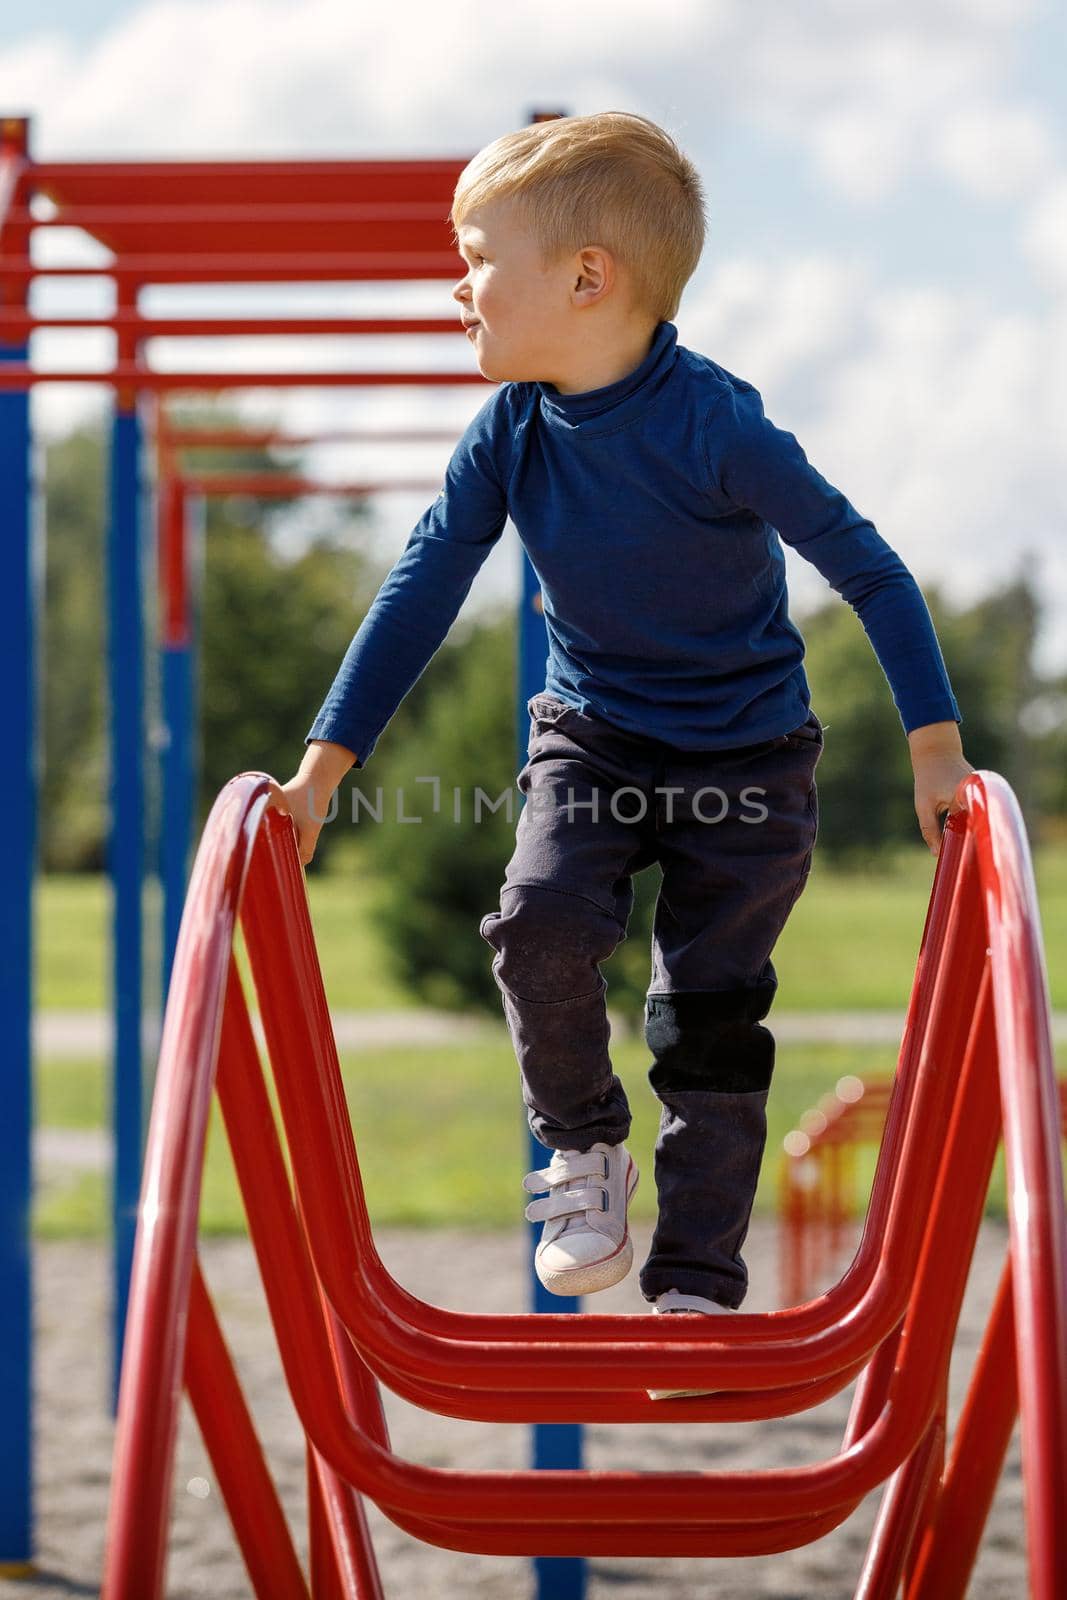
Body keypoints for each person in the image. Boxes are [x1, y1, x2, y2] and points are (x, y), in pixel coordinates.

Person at [270, 112, 974, 1396]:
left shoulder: (717, 426)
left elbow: (865, 566)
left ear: (586, 278)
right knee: (536, 918)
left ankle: (697, 1277)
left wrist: (933, 745)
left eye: (475, 255)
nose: (454, 284)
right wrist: (326, 763)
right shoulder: (511, 431)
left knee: (706, 1017)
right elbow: (424, 581)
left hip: (748, 756)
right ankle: (581, 1145)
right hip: (589, 738)